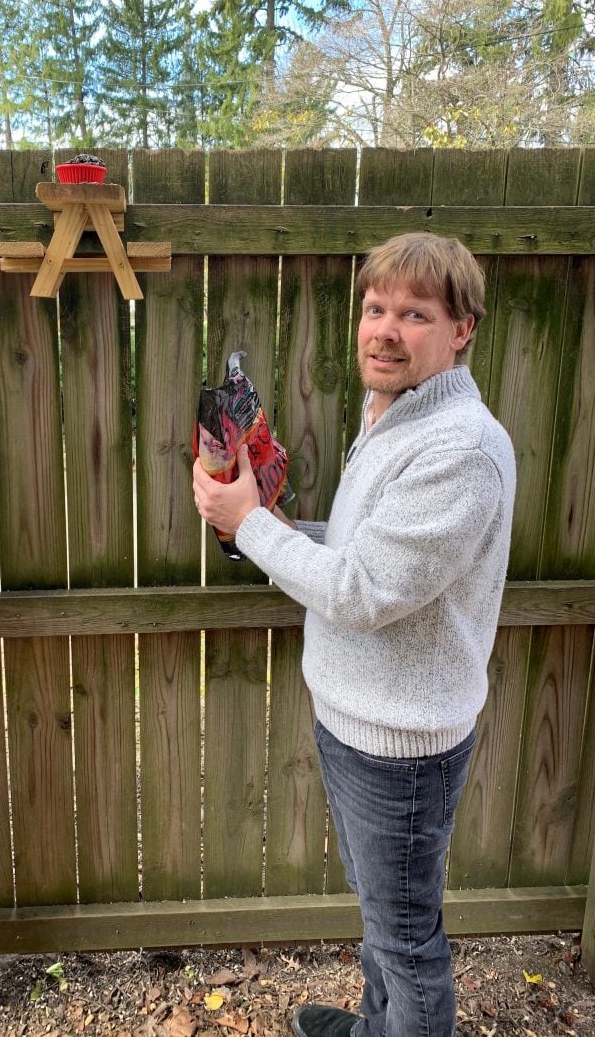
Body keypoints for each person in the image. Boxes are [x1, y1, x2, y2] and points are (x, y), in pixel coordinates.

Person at [192, 233, 516, 1037]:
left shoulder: (461, 449)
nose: (384, 329)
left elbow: (364, 591)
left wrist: (247, 526)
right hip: (357, 723)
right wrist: (262, 521)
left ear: (462, 328)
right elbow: (361, 547)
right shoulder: (398, 416)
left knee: (407, 940)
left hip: (400, 749)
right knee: (383, 917)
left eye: (414, 312)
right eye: (376, 308)